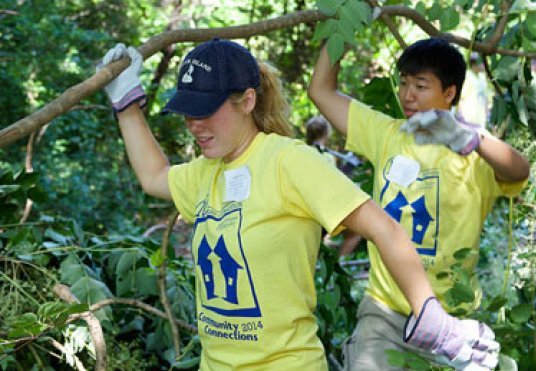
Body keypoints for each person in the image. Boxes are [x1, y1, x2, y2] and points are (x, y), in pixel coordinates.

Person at [97, 39, 499, 370]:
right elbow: (153, 177)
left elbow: (383, 228)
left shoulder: (289, 161)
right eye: (188, 113)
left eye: (206, 112)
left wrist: (432, 317)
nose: (194, 125)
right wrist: (126, 103)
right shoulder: (206, 172)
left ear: (248, 101)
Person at [309, 37, 529, 370]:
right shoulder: (385, 133)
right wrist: (344, 22)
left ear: (449, 93)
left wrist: (475, 140)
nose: (407, 95)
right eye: (404, 83)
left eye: (421, 86)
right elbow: (321, 92)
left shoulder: (473, 152)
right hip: (384, 316)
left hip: (454, 326)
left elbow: (519, 170)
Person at [305, 115, 364, 256]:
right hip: (320, 212)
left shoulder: (302, 151)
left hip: (309, 209)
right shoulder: (327, 157)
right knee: (355, 233)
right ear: (326, 133)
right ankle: (338, 267)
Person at [458, 53, 490, 127]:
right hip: (469, 118)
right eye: (482, 63)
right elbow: (461, 98)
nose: (484, 65)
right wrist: (460, 117)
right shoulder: (467, 77)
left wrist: (486, 110)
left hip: (480, 118)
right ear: (474, 64)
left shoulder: (482, 77)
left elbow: (485, 96)